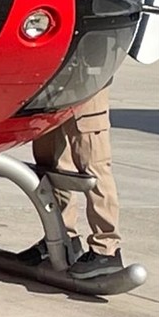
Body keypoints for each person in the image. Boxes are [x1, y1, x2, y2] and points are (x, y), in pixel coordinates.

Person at [18, 85, 125, 279]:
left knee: (94, 166)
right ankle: (62, 237)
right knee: (49, 163)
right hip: (51, 84)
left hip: (87, 82)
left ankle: (106, 249)